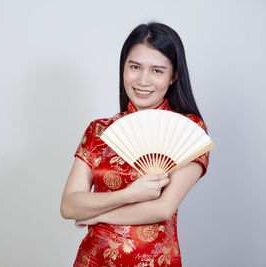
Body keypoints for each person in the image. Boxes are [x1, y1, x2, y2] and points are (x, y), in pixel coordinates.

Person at [60, 22, 210, 267]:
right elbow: (69, 206)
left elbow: (163, 208)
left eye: (157, 71)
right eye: (135, 67)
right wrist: (131, 194)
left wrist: (95, 215)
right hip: (92, 260)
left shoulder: (189, 131)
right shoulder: (98, 130)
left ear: (173, 75)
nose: (142, 80)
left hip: (154, 261)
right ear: (123, 68)